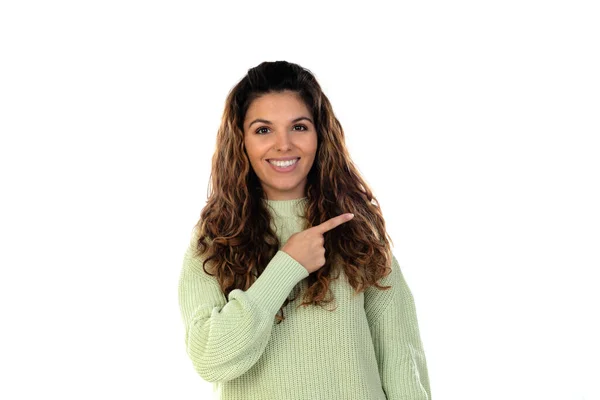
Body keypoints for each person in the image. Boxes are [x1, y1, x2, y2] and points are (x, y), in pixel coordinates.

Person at [177, 61, 431, 400]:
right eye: (263, 130)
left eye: (299, 127)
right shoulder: (214, 239)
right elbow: (210, 358)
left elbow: (401, 360)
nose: (284, 145)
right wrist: (286, 266)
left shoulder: (355, 229)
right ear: (241, 141)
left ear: (319, 135)